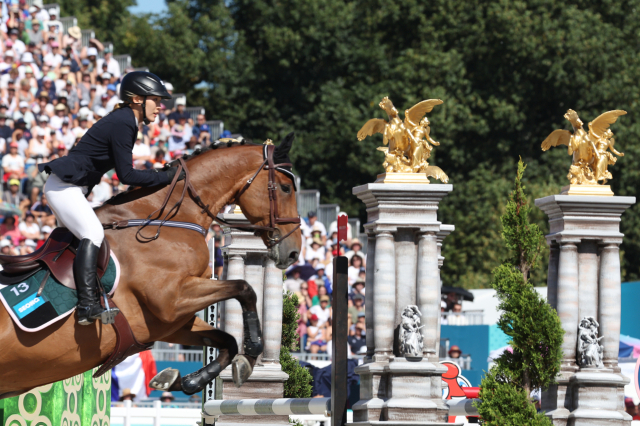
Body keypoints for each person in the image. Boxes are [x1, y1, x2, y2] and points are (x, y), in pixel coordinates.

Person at [37, 71, 180, 325]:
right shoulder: (124, 122)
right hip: (64, 187)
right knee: (93, 234)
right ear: (137, 99)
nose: (160, 106)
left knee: (86, 237)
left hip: (69, 188)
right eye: (156, 100)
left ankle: (69, 298)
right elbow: (126, 175)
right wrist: (165, 177)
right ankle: (87, 306)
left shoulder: (126, 120)